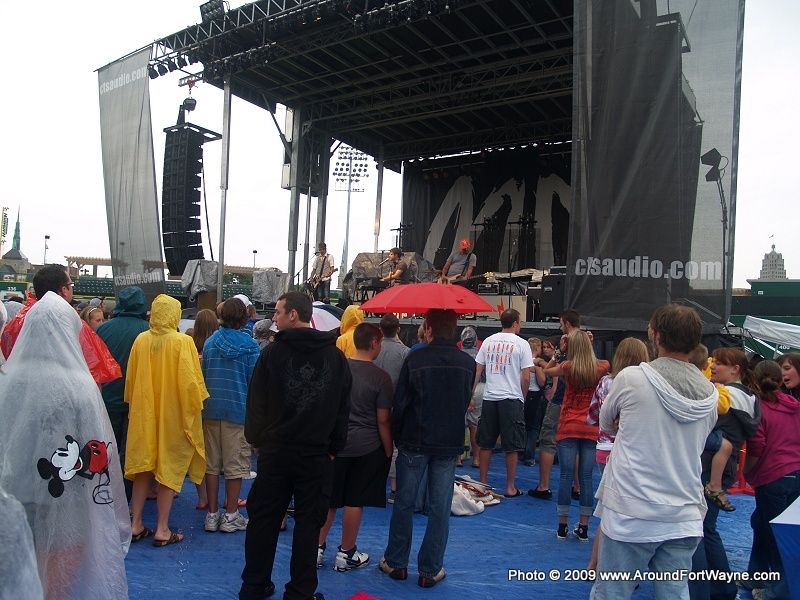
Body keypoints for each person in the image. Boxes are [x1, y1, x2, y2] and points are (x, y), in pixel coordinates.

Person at [0, 292, 130, 599]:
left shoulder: (8, 381)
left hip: (16, 491)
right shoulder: (79, 386)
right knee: (57, 579)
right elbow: (97, 446)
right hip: (66, 499)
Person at [591, 304, 718, 600]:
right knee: (674, 593)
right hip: (684, 512)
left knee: (613, 592)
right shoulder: (711, 395)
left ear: (657, 336)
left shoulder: (631, 378)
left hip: (631, 511)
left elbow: (606, 423)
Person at [240, 291, 352, 600]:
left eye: (278, 312)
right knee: (308, 524)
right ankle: (300, 591)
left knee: (264, 520)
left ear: (293, 314)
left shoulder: (272, 355)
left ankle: (254, 585)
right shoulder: (335, 358)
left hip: (276, 452)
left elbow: (256, 403)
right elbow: (343, 408)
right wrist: (334, 447)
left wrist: (257, 440)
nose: (274, 318)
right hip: (315, 454)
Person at [379, 309, 475, 588]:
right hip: (448, 442)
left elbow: (401, 403)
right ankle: (430, 570)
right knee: (439, 507)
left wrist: (397, 436)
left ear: (429, 329)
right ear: (454, 328)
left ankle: (396, 562)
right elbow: (464, 401)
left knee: (405, 502)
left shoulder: (415, 359)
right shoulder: (466, 363)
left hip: (415, 439)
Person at [125, 294, 209, 547]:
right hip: (173, 415)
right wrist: (196, 407)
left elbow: (130, 381)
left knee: (142, 468)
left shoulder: (140, 340)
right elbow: (191, 384)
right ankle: (162, 528)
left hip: (144, 415)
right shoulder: (183, 342)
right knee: (168, 469)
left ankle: (135, 524)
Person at [318, 323, 393, 571]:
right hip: (366, 445)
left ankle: (316, 548)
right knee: (354, 499)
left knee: (329, 499)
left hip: (334, 445)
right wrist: (388, 448)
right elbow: (383, 419)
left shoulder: (337, 370)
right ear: (374, 343)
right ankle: (346, 552)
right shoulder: (381, 378)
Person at [1, 264, 121, 386]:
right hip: (63, 390)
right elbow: (95, 369)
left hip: (20, 388)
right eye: (71, 285)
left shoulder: (18, 321)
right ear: (64, 290)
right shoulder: (74, 323)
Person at [201, 298, 261, 534]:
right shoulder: (251, 347)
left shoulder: (210, 343)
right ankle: (231, 514)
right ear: (244, 317)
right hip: (238, 411)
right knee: (235, 466)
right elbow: (255, 383)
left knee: (212, 465)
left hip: (211, 409)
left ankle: (212, 514)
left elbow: (204, 375)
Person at [544, 329, 609, 541]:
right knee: (586, 477)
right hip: (591, 426)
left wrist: (559, 352)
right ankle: (583, 526)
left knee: (565, 475)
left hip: (569, 424)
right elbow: (601, 365)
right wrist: (589, 344)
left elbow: (547, 370)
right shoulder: (601, 366)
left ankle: (562, 525)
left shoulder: (567, 367)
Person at [744, 360, 800, 600]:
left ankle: (778, 591)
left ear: (755, 382)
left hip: (773, 477)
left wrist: (748, 472)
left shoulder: (760, 409)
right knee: (762, 525)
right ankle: (756, 575)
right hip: (794, 474)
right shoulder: (794, 406)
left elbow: (757, 446)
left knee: (773, 535)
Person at [95, 286, 151, 503]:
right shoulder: (148, 331)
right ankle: (127, 498)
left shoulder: (103, 329)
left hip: (107, 398)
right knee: (132, 453)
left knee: (107, 448)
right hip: (137, 401)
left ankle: (103, 494)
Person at [474, 308, 534, 498]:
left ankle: (483, 483)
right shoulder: (522, 344)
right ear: (515, 323)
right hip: (511, 397)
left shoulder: (488, 341)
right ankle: (510, 486)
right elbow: (526, 376)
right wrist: (522, 396)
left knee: (486, 443)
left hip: (490, 397)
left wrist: (471, 395)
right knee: (512, 445)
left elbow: (477, 371)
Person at [702, 348, 760, 513]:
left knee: (703, 522)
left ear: (735, 369)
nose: (712, 366)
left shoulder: (724, 396)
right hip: (727, 466)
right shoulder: (750, 397)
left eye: (719, 363)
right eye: (713, 362)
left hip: (709, 466)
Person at [528, 337, 565, 500]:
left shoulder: (558, 361)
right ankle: (577, 486)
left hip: (553, 398)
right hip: (554, 398)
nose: (545, 350)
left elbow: (550, 374)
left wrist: (543, 364)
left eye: (548, 347)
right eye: (543, 347)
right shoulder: (587, 363)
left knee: (546, 436)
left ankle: (544, 485)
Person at [461, 326, 484, 468]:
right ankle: (476, 458)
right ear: (475, 340)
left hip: (461, 389)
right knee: (474, 425)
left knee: (459, 424)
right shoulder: (480, 355)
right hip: (479, 388)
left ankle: (457, 458)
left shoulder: (458, 355)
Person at [522, 337, 547, 467]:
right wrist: (538, 369)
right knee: (533, 428)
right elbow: (542, 382)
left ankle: (521, 451)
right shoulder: (537, 364)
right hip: (534, 394)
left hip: (522, 394)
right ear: (537, 348)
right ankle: (529, 456)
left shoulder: (522, 361)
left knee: (523, 425)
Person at [374, 313, 409, 388]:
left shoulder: (372, 349)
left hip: (374, 392)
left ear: (380, 330)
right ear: (398, 330)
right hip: (396, 393)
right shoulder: (405, 352)